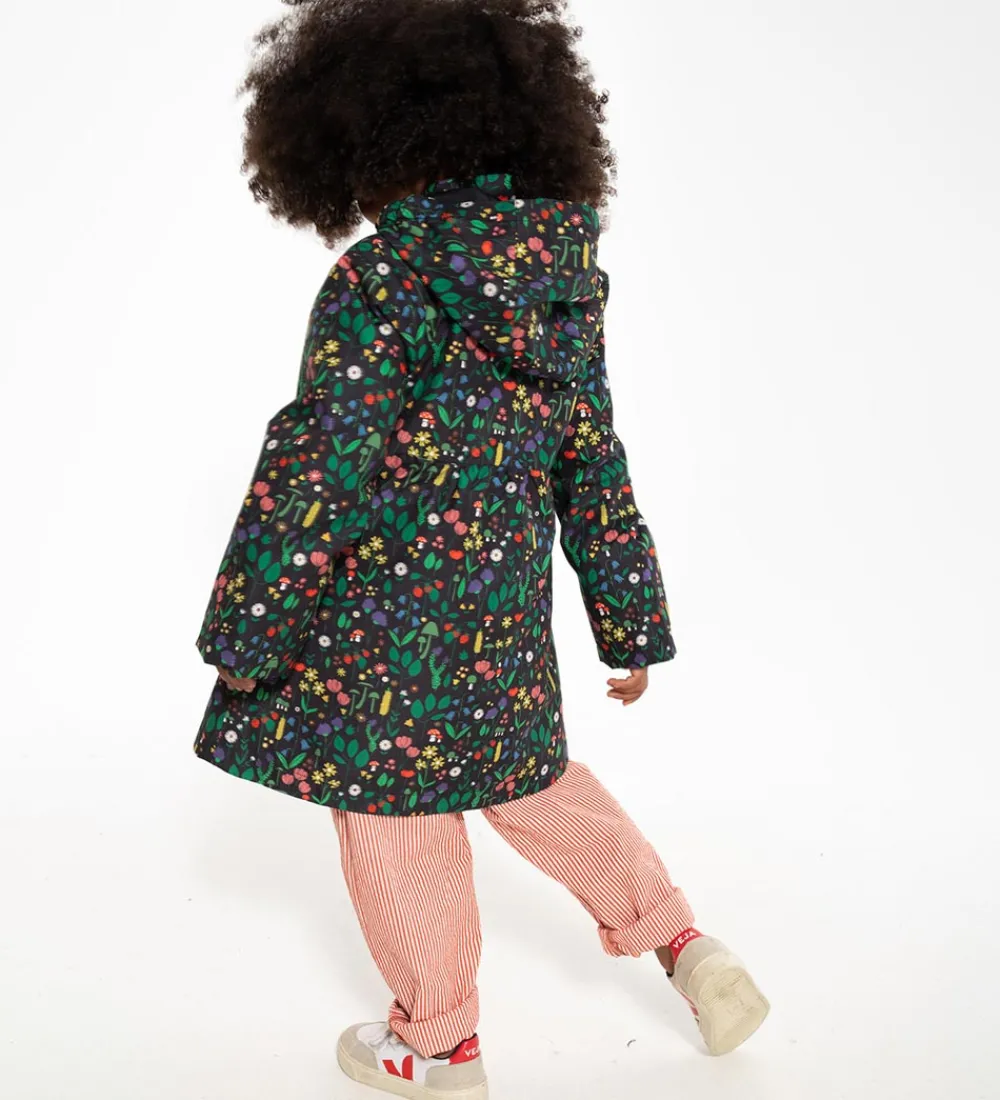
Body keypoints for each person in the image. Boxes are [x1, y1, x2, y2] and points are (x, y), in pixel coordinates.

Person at [192, 1, 768, 1095]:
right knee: (537, 784)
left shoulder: (384, 279)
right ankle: (684, 942)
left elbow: (319, 462)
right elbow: (593, 461)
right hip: (504, 628)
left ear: (369, 139)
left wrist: (247, 630)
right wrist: (630, 625)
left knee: (396, 818)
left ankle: (439, 1043)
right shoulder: (562, 286)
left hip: (380, 643)